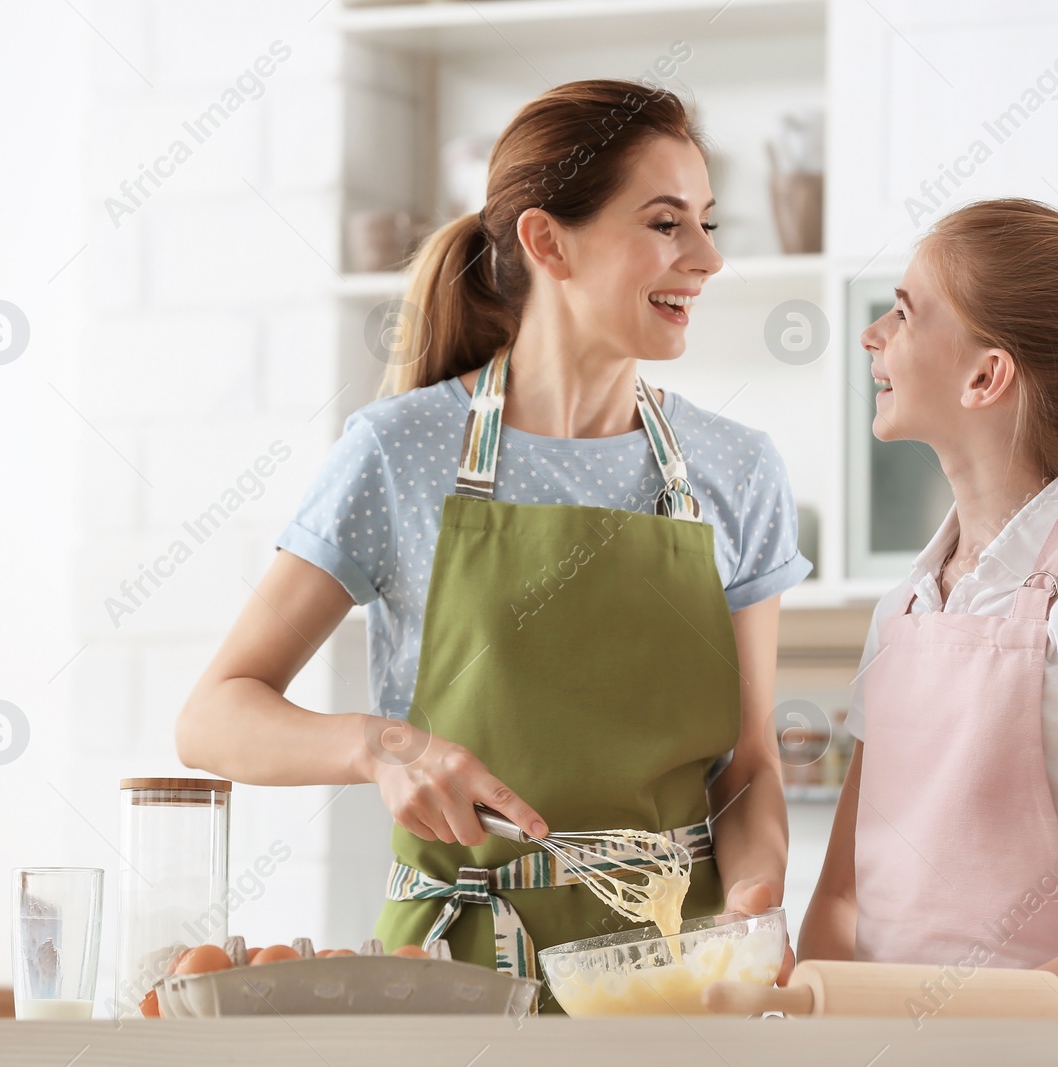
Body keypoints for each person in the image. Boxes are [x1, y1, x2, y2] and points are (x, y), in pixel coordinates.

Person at [176, 79, 810, 1012]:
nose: (707, 258)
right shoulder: (400, 452)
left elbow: (747, 767)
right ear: (549, 240)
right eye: (668, 223)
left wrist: (753, 902)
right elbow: (212, 717)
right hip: (449, 984)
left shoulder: (737, 469)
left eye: (708, 223)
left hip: (669, 991)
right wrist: (380, 747)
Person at [798, 198, 1058, 1002]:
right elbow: (840, 894)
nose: (871, 336)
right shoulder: (904, 610)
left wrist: (995, 1027)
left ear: (986, 375)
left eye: (902, 314)